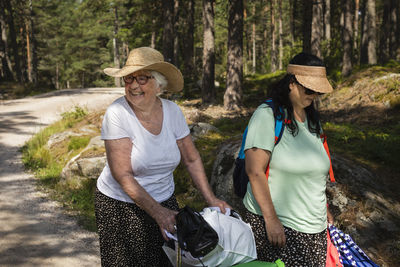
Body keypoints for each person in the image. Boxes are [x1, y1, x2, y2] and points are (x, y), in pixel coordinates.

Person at [94, 46, 230, 267]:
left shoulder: (173, 111)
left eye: (142, 78)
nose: (134, 85)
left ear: (159, 85)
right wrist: (159, 213)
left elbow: (192, 159)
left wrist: (211, 199)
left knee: (167, 261)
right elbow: (123, 174)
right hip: (120, 204)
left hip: (164, 198)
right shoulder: (117, 113)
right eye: (129, 79)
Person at [243, 52, 335, 266]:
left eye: (318, 91)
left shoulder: (312, 120)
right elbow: (254, 171)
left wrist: (324, 211)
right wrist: (271, 220)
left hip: (315, 230)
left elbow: (315, 171)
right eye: (310, 89)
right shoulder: (266, 116)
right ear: (292, 83)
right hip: (281, 229)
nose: (314, 96)